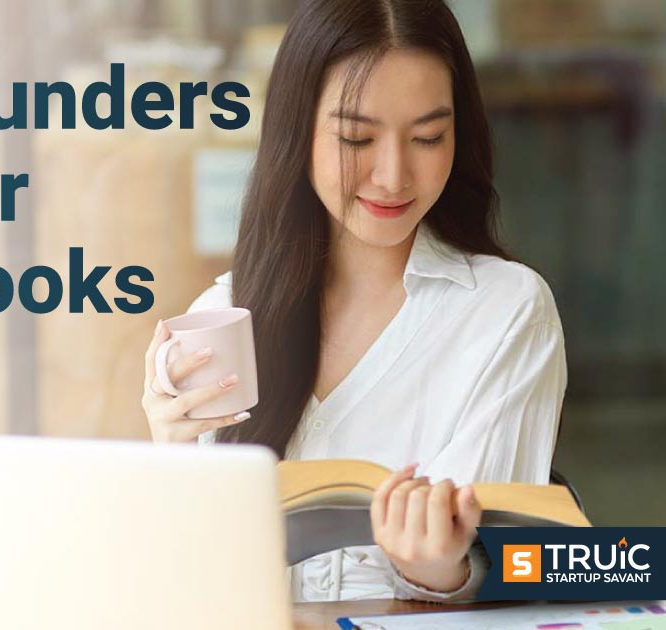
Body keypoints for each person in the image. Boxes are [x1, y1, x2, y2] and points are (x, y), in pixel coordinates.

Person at [141, 0, 567, 603]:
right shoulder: (228, 314)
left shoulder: (503, 311)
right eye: (355, 137)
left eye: (428, 137)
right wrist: (173, 458)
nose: (393, 175)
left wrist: (438, 569)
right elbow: (187, 582)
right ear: (297, 133)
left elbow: (516, 566)